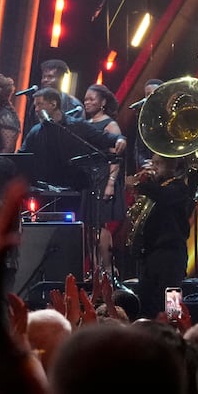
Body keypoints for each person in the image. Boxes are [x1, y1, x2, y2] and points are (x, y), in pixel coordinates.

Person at [130, 154, 194, 304]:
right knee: (147, 303)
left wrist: (139, 185)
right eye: (152, 163)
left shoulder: (179, 188)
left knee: (172, 304)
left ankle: (175, 326)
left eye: (158, 164)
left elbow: (164, 196)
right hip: (151, 254)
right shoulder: (155, 190)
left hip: (171, 255)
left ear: (170, 167)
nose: (153, 167)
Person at [80, 84, 128, 277]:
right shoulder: (86, 123)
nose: (87, 102)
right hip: (88, 177)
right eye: (86, 99)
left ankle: (107, 269)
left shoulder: (110, 125)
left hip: (103, 176)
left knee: (100, 224)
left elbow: (115, 157)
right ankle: (94, 268)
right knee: (89, 226)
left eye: (92, 99)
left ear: (103, 102)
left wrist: (110, 183)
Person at [24, 59, 86, 132]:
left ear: (61, 78)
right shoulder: (36, 103)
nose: (45, 80)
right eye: (44, 77)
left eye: (50, 77)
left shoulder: (74, 105)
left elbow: (79, 131)